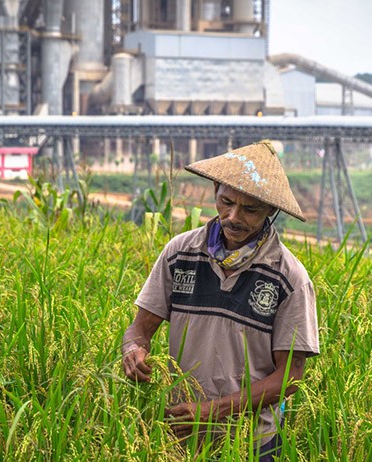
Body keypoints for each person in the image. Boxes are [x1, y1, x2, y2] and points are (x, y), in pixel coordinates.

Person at [122, 140, 320, 459]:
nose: (233, 217)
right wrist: (133, 348)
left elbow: (289, 378)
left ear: (271, 210)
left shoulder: (290, 279)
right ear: (215, 188)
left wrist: (214, 410)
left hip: (251, 443)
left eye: (250, 209)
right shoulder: (180, 254)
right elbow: (139, 328)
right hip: (181, 436)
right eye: (226, 202)